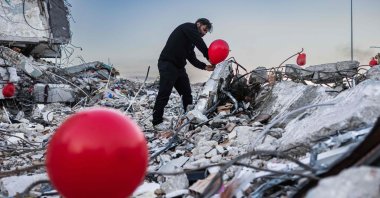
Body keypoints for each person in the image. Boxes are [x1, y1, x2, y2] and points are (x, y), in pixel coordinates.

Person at [152, 18, 215, 130]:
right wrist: (208, 55)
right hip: (167, 64)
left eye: (206, 32)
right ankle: (157, 122)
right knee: (164, 93)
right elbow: (198, 41)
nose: (204, 33)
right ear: (198, 24)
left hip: (179, 68)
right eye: (204, 29)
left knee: (187, 93)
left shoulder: (190, 42)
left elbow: (191, 57)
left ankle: (189, 118)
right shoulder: (187, 27)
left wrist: (204, 66)